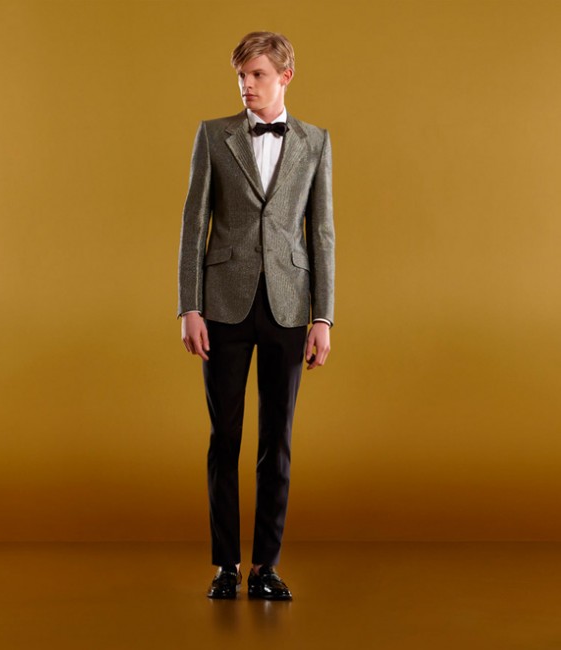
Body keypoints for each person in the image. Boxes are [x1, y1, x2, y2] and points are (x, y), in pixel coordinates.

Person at [177, 31, 335, 600]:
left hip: (289, 308)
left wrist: (323, 318)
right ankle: (226, 566)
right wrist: (190, 306)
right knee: (225, 436)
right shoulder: (213, 136)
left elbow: (322, 233)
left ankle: (266, 566)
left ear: (285, 76)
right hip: (223, 305)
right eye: (241, 76)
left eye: (257, 75)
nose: (246, 85)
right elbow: (194, 223)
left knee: (278, 441)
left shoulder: (315, 142)